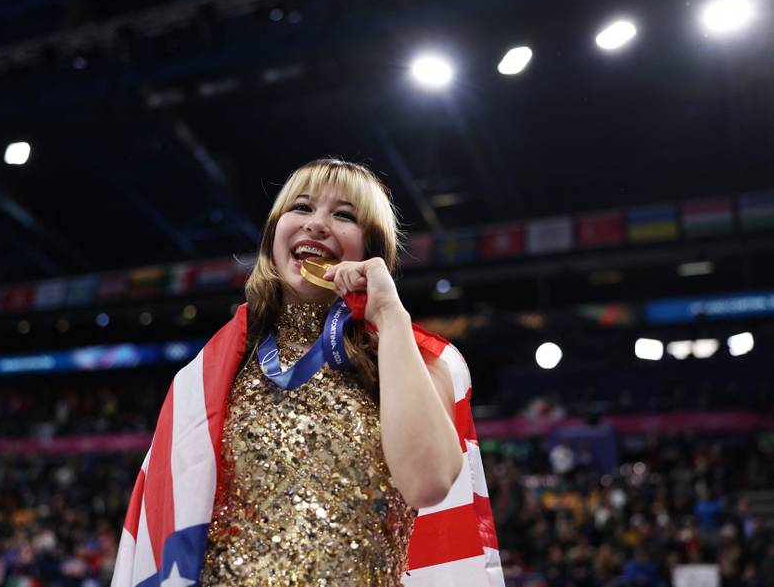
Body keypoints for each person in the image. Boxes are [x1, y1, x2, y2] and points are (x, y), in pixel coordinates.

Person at [112, 159, 502, 587]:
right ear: (273, 236)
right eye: (301, 207)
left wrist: (389, 315)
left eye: (344, 215)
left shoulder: (415, 358)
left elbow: (427, 483)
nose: (316, 224)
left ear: (372, 250)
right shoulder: (212, 372)